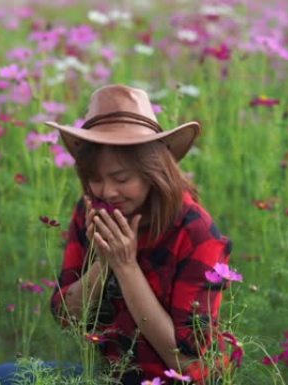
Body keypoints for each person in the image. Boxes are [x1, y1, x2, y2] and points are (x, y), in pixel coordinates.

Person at [45, 84, 233, 384]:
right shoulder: (92, 210)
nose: (107, 191)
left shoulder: (196, 232)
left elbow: (185, 359)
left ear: (153, 173)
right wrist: (103, 262)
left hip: (172, 380)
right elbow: (66, 317)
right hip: (113, 375)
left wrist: (125, 266)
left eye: (121, 178)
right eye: (94, 179)